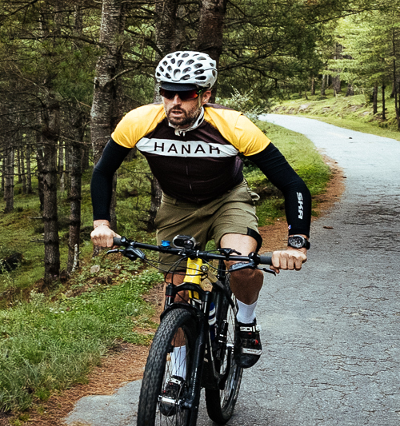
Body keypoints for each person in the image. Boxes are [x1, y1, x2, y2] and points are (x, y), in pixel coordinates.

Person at [89, 50, 311, 373]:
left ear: (205, 94)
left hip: (228, 199)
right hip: (177, 204)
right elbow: (102, 171)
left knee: (240, 264)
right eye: (167, 92)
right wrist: (102, 224)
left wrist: (297, 243)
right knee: (177, 289)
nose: (175, 102)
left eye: (187, 94)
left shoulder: (233, 126)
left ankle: (246, 322)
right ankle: (177, 367)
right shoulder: (139, 122)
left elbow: (292, 184)